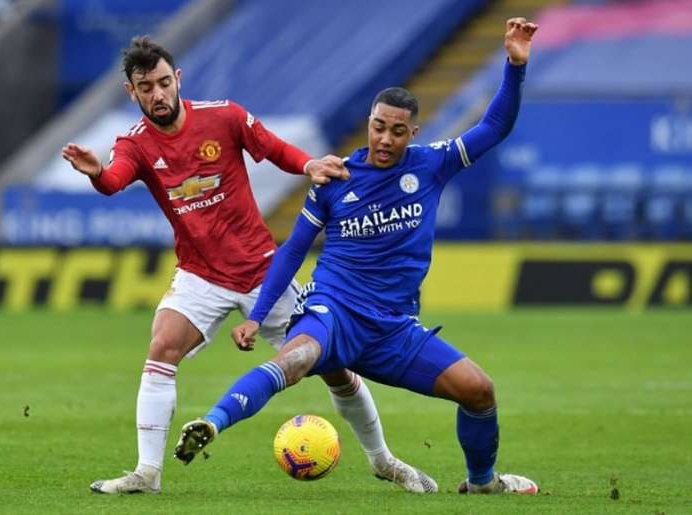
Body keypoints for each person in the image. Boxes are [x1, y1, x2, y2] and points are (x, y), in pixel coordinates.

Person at [175, 18, 540, 495]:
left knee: (479, 391)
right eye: (378, 127)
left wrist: (514, 65)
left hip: (393, 329)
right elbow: (292, 251)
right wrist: (256, 316)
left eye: (397, 131)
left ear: (413, 132)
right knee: (298, 358)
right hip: (334, 312)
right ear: (369, 122)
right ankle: (213, 423)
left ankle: (481, 484)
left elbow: (494, 126)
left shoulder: (433, 164)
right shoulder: (335, 179)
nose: (385, 140)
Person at [62, 36, 436, 495]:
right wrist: (98, 173)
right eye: (145, 87)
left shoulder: (224, 116)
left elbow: (272, 147)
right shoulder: (135, 144)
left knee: (335, 366)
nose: (157, 94)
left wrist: (309, 166)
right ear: (132, 92)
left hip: (264, 272)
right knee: (161, 347)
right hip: (201, 274)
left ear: (177, 79)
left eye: (163, 82)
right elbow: (115, 180)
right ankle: (147, 473)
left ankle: (384, 461)